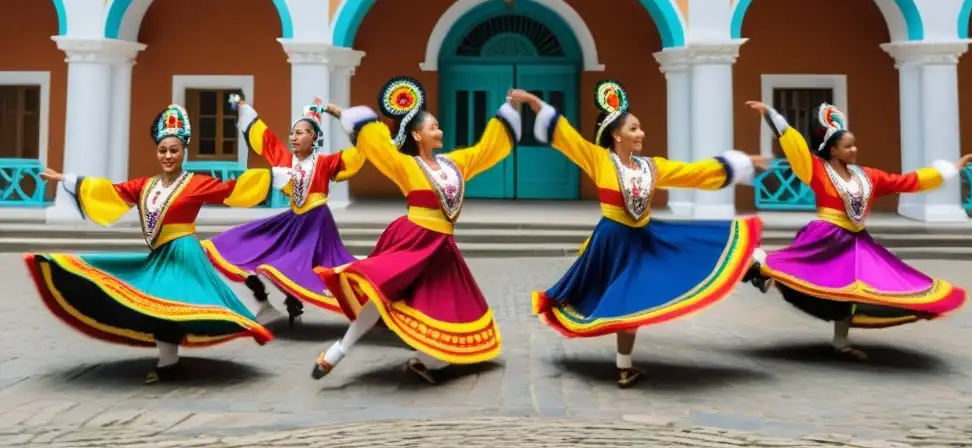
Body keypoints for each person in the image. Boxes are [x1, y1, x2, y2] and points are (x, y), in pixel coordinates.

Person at [513, 81, 768, 388]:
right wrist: (534, 102)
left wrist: (739, 165)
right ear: (616, 135)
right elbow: (566, 136)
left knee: (684, 257)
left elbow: (694, 172)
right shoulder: (598, 159)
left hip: (643, 238)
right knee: (619, 297)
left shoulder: (652, 167)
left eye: (640, 128)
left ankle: (748, 268)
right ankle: (624, 366)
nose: (641, 134)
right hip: (612, 241)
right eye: (633, 129)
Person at [24, 104, 286, 384]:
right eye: (163, 151)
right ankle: (169, 360)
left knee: (168, 303)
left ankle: (168, 362)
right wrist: (68, 180)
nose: (168, 156)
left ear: (184, 152)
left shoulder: (196, 183)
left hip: (183, 253)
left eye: (174, 150)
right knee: (156, 304)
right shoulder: (144, 186)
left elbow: (232, 189)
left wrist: (274, 178)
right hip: (159, 254)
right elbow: (111, 192)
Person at [311, 77, 521, 385]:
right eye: (433, 127)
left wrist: (508, 111)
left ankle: (427, 359)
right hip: (413, 239)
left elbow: (486, 149)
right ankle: (338, 351)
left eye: (438, 126)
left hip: (441, 247)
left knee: (437, 304)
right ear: (416, 134)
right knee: (380, 294)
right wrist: (344, 114)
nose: (440, 131)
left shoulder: (455, 164)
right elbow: (375, 142)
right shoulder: (405, 165)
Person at [744, 100, 972, 360]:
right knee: (797, 271)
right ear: (833, 150)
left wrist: (949, 170)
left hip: (855, 241)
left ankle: (840, 341)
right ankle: (762, 269)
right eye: (847, 146)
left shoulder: (869, 176)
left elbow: (908, 181)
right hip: (825, 238)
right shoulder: (816, 170)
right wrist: (772, 116)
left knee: (851, 292)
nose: (854, 149)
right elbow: (794, 146)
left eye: (854, 144)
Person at [202, 96, 365, 328]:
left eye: (301, 132)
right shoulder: (285, 160)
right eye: (293, 133)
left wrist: (343, 117)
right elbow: (266, 139)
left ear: (314, 137)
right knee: (235, 244)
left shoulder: (326, 162)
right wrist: (243, 108)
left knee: (298, 266)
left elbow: (357, 155)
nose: (294, 137)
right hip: (293, 221)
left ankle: (295, 300)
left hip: (316, 224)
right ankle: (268, 303)